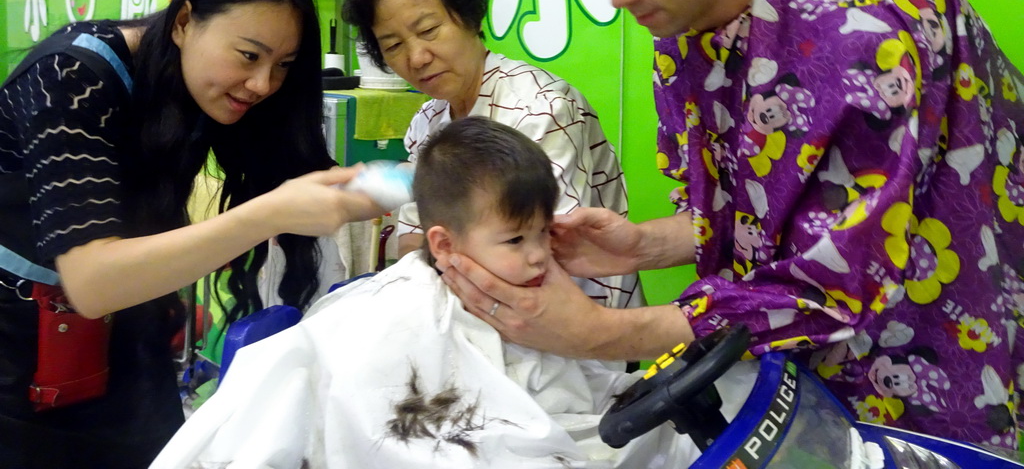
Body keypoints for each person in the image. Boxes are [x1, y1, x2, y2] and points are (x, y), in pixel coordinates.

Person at [439, 0, 1024, 452]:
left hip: (932, 344)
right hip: (815, 364)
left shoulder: (857, 43)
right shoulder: (684, 24)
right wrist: (641, 245)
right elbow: (761, 222)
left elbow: (825, 288)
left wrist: (599, 333)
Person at [0, 0, 385, 468]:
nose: (262, 83)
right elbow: (92, 282)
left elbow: (303, 178)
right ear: (184, 22)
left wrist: (405, 188)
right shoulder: (69, 78)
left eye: (283, 65)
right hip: (22, 349)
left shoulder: (212, 85)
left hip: (128, 336)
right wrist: (269, 212)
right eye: (248, 55)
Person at [149, 117, 710, 468]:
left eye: (544, 231)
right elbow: (379, 428)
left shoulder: (532, 293)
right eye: (516, 238)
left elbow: (570, 399)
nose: (539, 254)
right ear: (442, 244)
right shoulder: (397, 314)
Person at [341, 0, 642, 310]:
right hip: (476, 314)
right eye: (393, 45)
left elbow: (549, 253)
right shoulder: (428, 122)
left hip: (581, 325)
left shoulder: (540, 109)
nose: (417, 57)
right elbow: (413, 242)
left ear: (467, 15)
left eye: (429, 30)